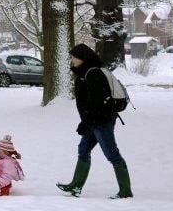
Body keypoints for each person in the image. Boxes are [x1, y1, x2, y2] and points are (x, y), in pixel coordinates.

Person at [56, 43, 133, 199]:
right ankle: (76, 186)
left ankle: (125, 191)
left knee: (112, 154)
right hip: (93, 120)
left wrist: (85, 122)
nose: (72, 60)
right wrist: (86, 121)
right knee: (83, 149)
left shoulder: (92, 73)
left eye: (73, 57)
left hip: (101, 120)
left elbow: (96, 102)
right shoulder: (85, 72)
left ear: (82, 57)